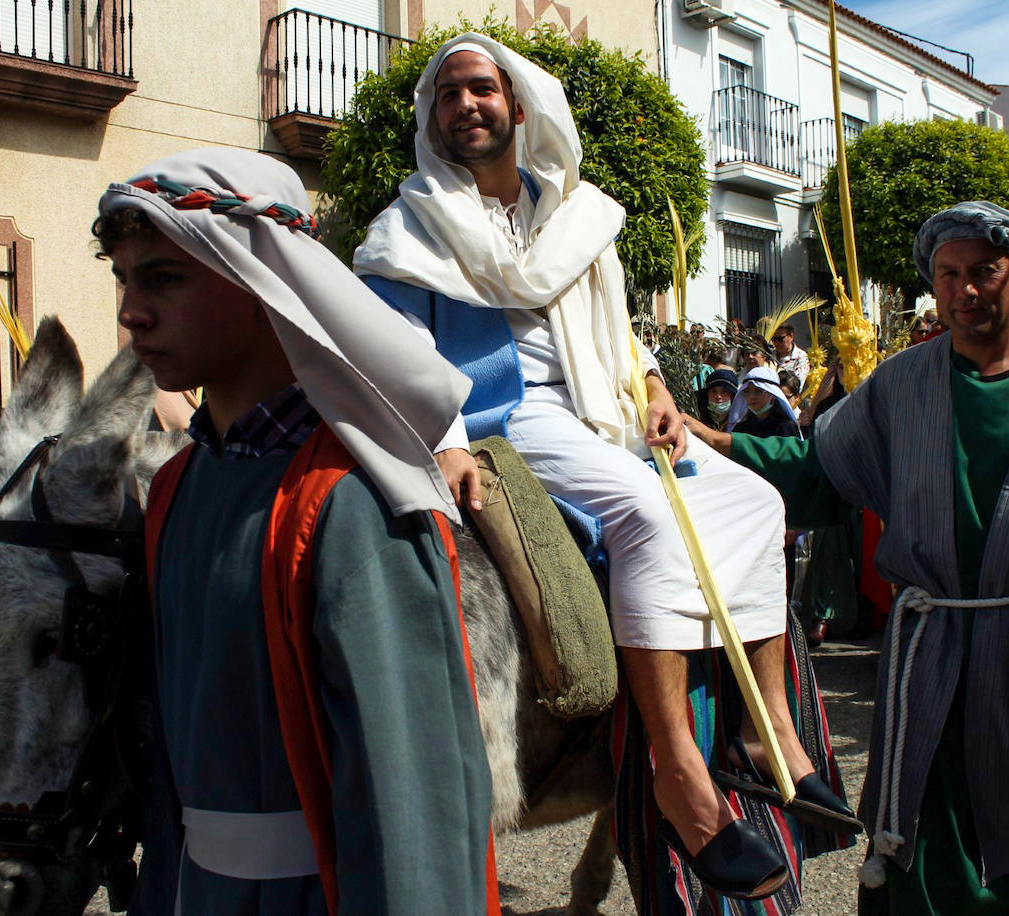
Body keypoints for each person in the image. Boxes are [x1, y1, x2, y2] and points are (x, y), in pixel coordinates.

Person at [354, 34, 853, 901]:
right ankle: (677, 771)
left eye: (481, 90)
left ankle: (766, 722)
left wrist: (656, 382)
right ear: (434, 119)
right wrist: (443, 435)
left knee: (758, 503)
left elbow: (620, 327)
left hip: (607, 407)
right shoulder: (409, 227)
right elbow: (392, 350)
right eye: (448, 96)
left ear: (519, 105)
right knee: (647, 516)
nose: (465, 106)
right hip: (503, 416)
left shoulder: (581, 217)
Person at [702, 201, 1009, 914]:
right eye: (948, 274)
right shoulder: (903, 384)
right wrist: (715, 444)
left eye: (984, 273)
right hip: (935, 663)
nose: (964, 290)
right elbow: (820, 472)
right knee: (931, 842)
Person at [96, 149, 495, 915]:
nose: (130, 310)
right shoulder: (179, 487)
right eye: (124, 277)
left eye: (164, 277)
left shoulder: (350, 501)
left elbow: (414, 805)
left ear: (259, 279)